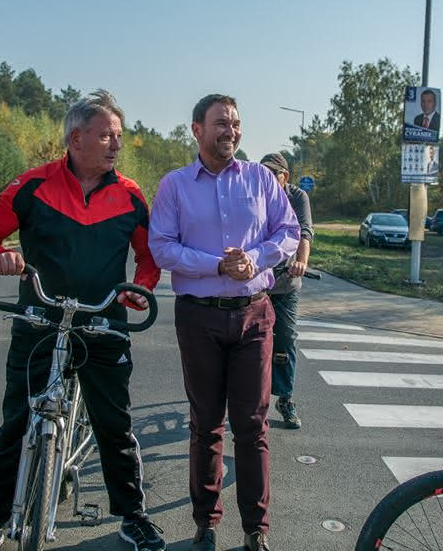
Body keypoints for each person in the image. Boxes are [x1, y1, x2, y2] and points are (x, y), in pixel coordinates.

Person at [0, 90, 166, 551]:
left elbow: (149, 256)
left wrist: (141, 287)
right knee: (15, 425)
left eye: (119, 136)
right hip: (39, 321)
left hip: (103, 324)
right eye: (106, 136)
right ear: (76, 139)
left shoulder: (130, 194)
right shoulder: (33, 185)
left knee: (114, 425)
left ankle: (133, 517)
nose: (117, 144)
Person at [148, 95, 300, 551]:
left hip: (254, 313)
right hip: (199, 317)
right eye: (220, 123)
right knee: (206, 424)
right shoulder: (175, 186)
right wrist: (216, 264)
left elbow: (289, 232)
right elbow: (162, 246)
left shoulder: (260, 179)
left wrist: (254, 259)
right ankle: (206, 523)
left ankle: (256, 529)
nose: (230, 131)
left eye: (234, 123)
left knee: (252, 426)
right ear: (197, 129)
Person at [257, 152, 313, 430]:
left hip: (285, 282)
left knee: (286, 338)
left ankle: (285, 398)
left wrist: (301, 261)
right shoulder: (254, 194)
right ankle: (251, 397)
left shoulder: (297, 197)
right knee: (249, 341)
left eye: (273, 174)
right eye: (263, 173)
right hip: (256, 281)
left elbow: (304, 232)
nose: (266, 178)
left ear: (285, 176)